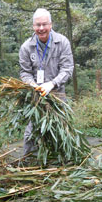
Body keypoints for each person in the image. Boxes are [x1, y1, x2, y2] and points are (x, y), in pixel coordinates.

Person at [19, 8, 74, 156]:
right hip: (36, 98)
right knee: (31, 134)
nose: (41, 28)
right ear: (33, 26)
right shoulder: (26, 47)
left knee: (62, 132)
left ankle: (64, 163)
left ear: (51, 24)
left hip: (57, 96)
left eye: (44, 24)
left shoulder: (62, 42)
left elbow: (67, 69)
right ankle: (28, 162)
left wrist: (52, 83)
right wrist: (32, 85)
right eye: (38, 25)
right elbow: (24, 72)